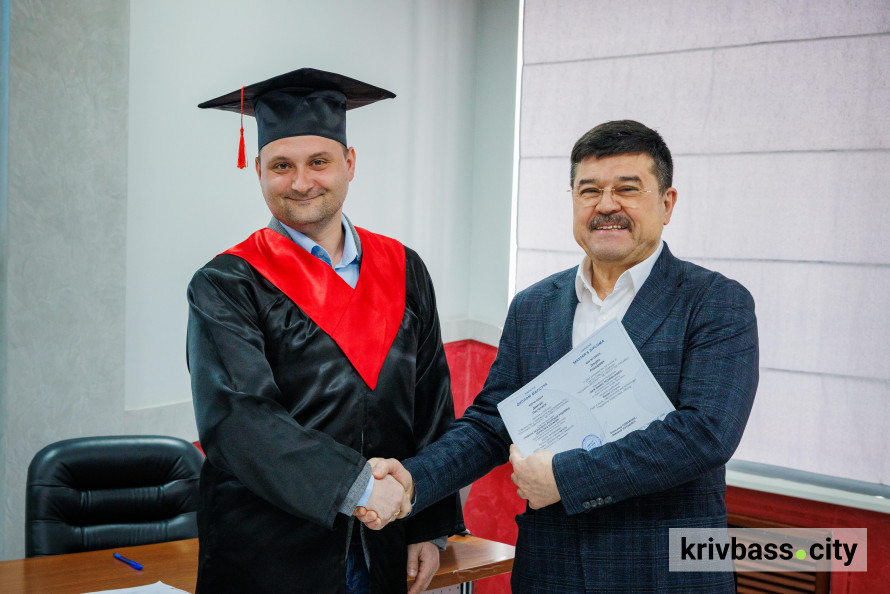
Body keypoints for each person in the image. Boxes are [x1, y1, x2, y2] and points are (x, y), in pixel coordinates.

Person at [360, 120, 759, 592]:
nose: (606, 205)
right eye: (589, 190)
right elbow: (492, 424)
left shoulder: (716, 302)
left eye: (627, 189)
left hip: (661, 573)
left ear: (667, 203)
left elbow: (704, 434)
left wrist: (564, 477)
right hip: (552, 570)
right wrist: (412, 479)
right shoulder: (533, 306)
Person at [187, 67, 463, 594]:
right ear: (259, 171)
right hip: (269, 554)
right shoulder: (227, 283)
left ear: (349, 163)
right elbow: (239, 421)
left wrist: (428, 523)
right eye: (281, 166)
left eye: (319, 161)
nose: (301, 182)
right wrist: (357, 486)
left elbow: (431, 402)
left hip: (384, 542)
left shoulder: (404, 268)